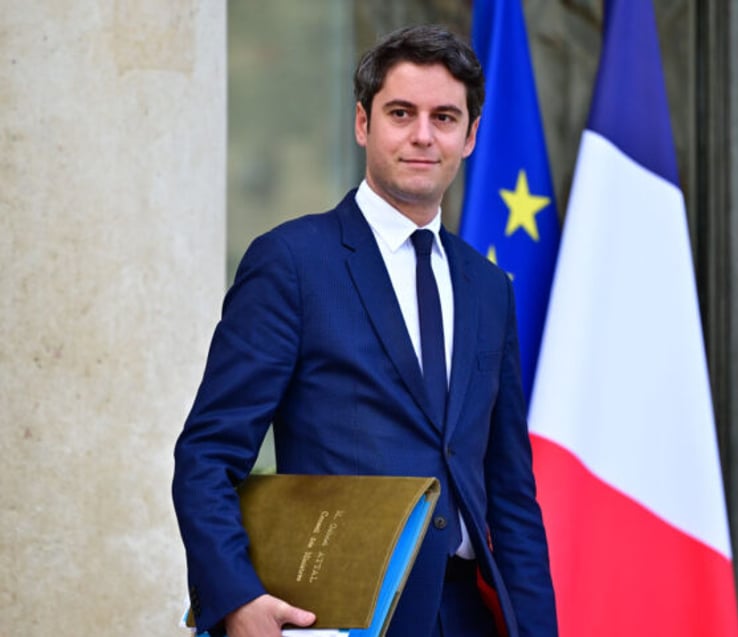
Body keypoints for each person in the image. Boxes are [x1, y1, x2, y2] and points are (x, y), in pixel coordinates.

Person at [172, 24, 557, 637]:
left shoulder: (489, 289)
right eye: (401, 113)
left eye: (445, 117)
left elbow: (511, 491)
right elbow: (206, 455)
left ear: (471, 137)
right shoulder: (292, 263)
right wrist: (237, 599)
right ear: (363, 124)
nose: (423, 135)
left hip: (468, 617)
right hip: (339, 616)